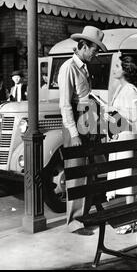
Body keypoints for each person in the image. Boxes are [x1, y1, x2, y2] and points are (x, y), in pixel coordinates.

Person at [57, 25, 107, 235]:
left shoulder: (83, 67)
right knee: (77, 172)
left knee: (87, 170)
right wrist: (74, 134)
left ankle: (83, 214)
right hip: (76, 125)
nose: (95, 55)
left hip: (87, 122)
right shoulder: (68, 68)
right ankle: (74, 221)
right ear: (82, 46)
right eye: (94, 50)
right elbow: (65, 104)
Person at [104, 56, 137, 234]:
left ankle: (130, 220)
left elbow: (133, 116)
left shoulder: (130, 90)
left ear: (125, 70)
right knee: (124, 179)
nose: (115, 69)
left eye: (118, 66)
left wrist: (115, 111)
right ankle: (129, 219)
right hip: (119, 135)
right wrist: (110, 116)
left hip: (126, 137)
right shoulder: (120, 88)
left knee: (128, 180)